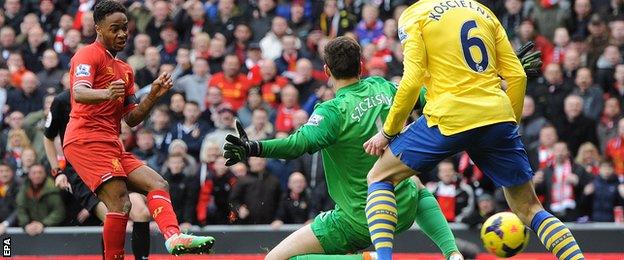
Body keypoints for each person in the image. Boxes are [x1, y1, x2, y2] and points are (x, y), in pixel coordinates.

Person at [362, 2, 583, 260]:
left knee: (379, 176)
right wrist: (509, 124)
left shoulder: (414, 14)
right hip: (497, 116)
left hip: (448, 116)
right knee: (530, 208)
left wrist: (388, 132)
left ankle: (384, 258)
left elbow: (411, 80)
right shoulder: (481, 9)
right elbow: (517, 76)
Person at [224, 37, 461, 260]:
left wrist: (253, 147)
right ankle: (452, 252)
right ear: (361, 65)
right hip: (404, 205)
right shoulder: (383, 87)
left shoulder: (333, 111)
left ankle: (369, 258)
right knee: (414, 184)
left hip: (360, 220)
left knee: (274, 258)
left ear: (326, 70)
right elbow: (423, 96)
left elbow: (296, 145)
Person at [61, 1, 214, 258]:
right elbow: (79, 92)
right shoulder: (87, 55)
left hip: (111, 142)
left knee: (158, 183)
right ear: (98, 28)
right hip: (84, 139)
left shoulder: (125, 70)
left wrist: (153, 95)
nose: (121, 34)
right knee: (121, 203)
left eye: (124, 28)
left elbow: (131, 119)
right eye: (114, 29)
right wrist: (106, 93)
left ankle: (174, 238)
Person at [43, 89, 153, 260]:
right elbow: (48, 137)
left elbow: (115, 134)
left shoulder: (108, 95)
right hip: (80, 169)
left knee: (142, 213)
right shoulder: (62, 100)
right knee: (113, 216)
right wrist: (57, 172)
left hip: (110, 163)